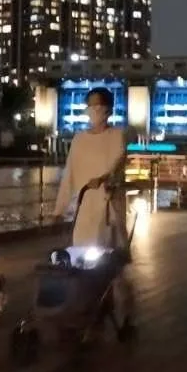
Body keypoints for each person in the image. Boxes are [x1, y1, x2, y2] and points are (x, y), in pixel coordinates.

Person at [53, 87, 131, 257]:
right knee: (80, 253)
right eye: (90, 106)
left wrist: (103, 178)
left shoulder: (117, 135)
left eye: (98, 106)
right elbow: (69, 175)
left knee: (108, 256)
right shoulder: (79, 139)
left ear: (108, 109)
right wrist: (60, 209)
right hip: (84, 206)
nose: (94, 110)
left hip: (108, 206)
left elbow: (116, 162)